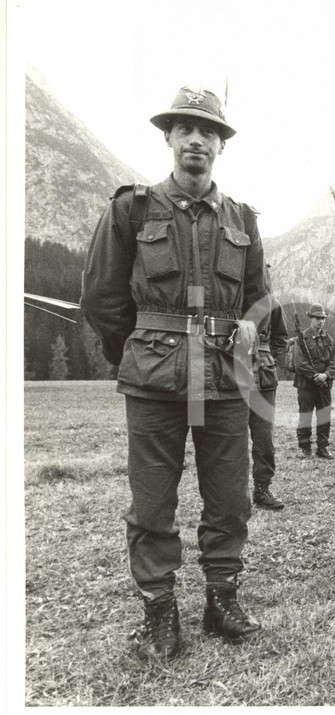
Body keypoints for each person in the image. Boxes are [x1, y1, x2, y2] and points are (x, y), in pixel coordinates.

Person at [80, 86, 267, 661]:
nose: (196, 140)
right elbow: (102, 300)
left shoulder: (241, 218)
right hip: (155, 381)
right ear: (168, 137)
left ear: (220, 145)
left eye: (207, 131)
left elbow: (258, 300)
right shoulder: (131, 209)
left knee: (230, 499)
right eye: (184, 128)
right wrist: (142, 352)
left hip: (225, 381)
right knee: (153, 503)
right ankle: (159, 611)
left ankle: (221, 597)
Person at [249, 277, 288, 510]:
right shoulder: (229, 298)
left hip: (263, 377)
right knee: (229, 440)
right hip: (229, 373)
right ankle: (230, 494)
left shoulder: (273, 304)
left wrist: (267, 357)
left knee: (263, 439)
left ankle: (262, 489)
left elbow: (281, 338)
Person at [292, 303, 335, 459]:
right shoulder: (301, 339)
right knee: (305, 416)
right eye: (317, 318)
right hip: (306, 385)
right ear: (310, 319)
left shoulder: (329, 338)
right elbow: (299, 363)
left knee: (324, 416)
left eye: (323, 318)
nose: (320, 321)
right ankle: (304, 447)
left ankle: (323, 447)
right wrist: (315, 376)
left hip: (325, 385)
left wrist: (326, 374)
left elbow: (334, 360)